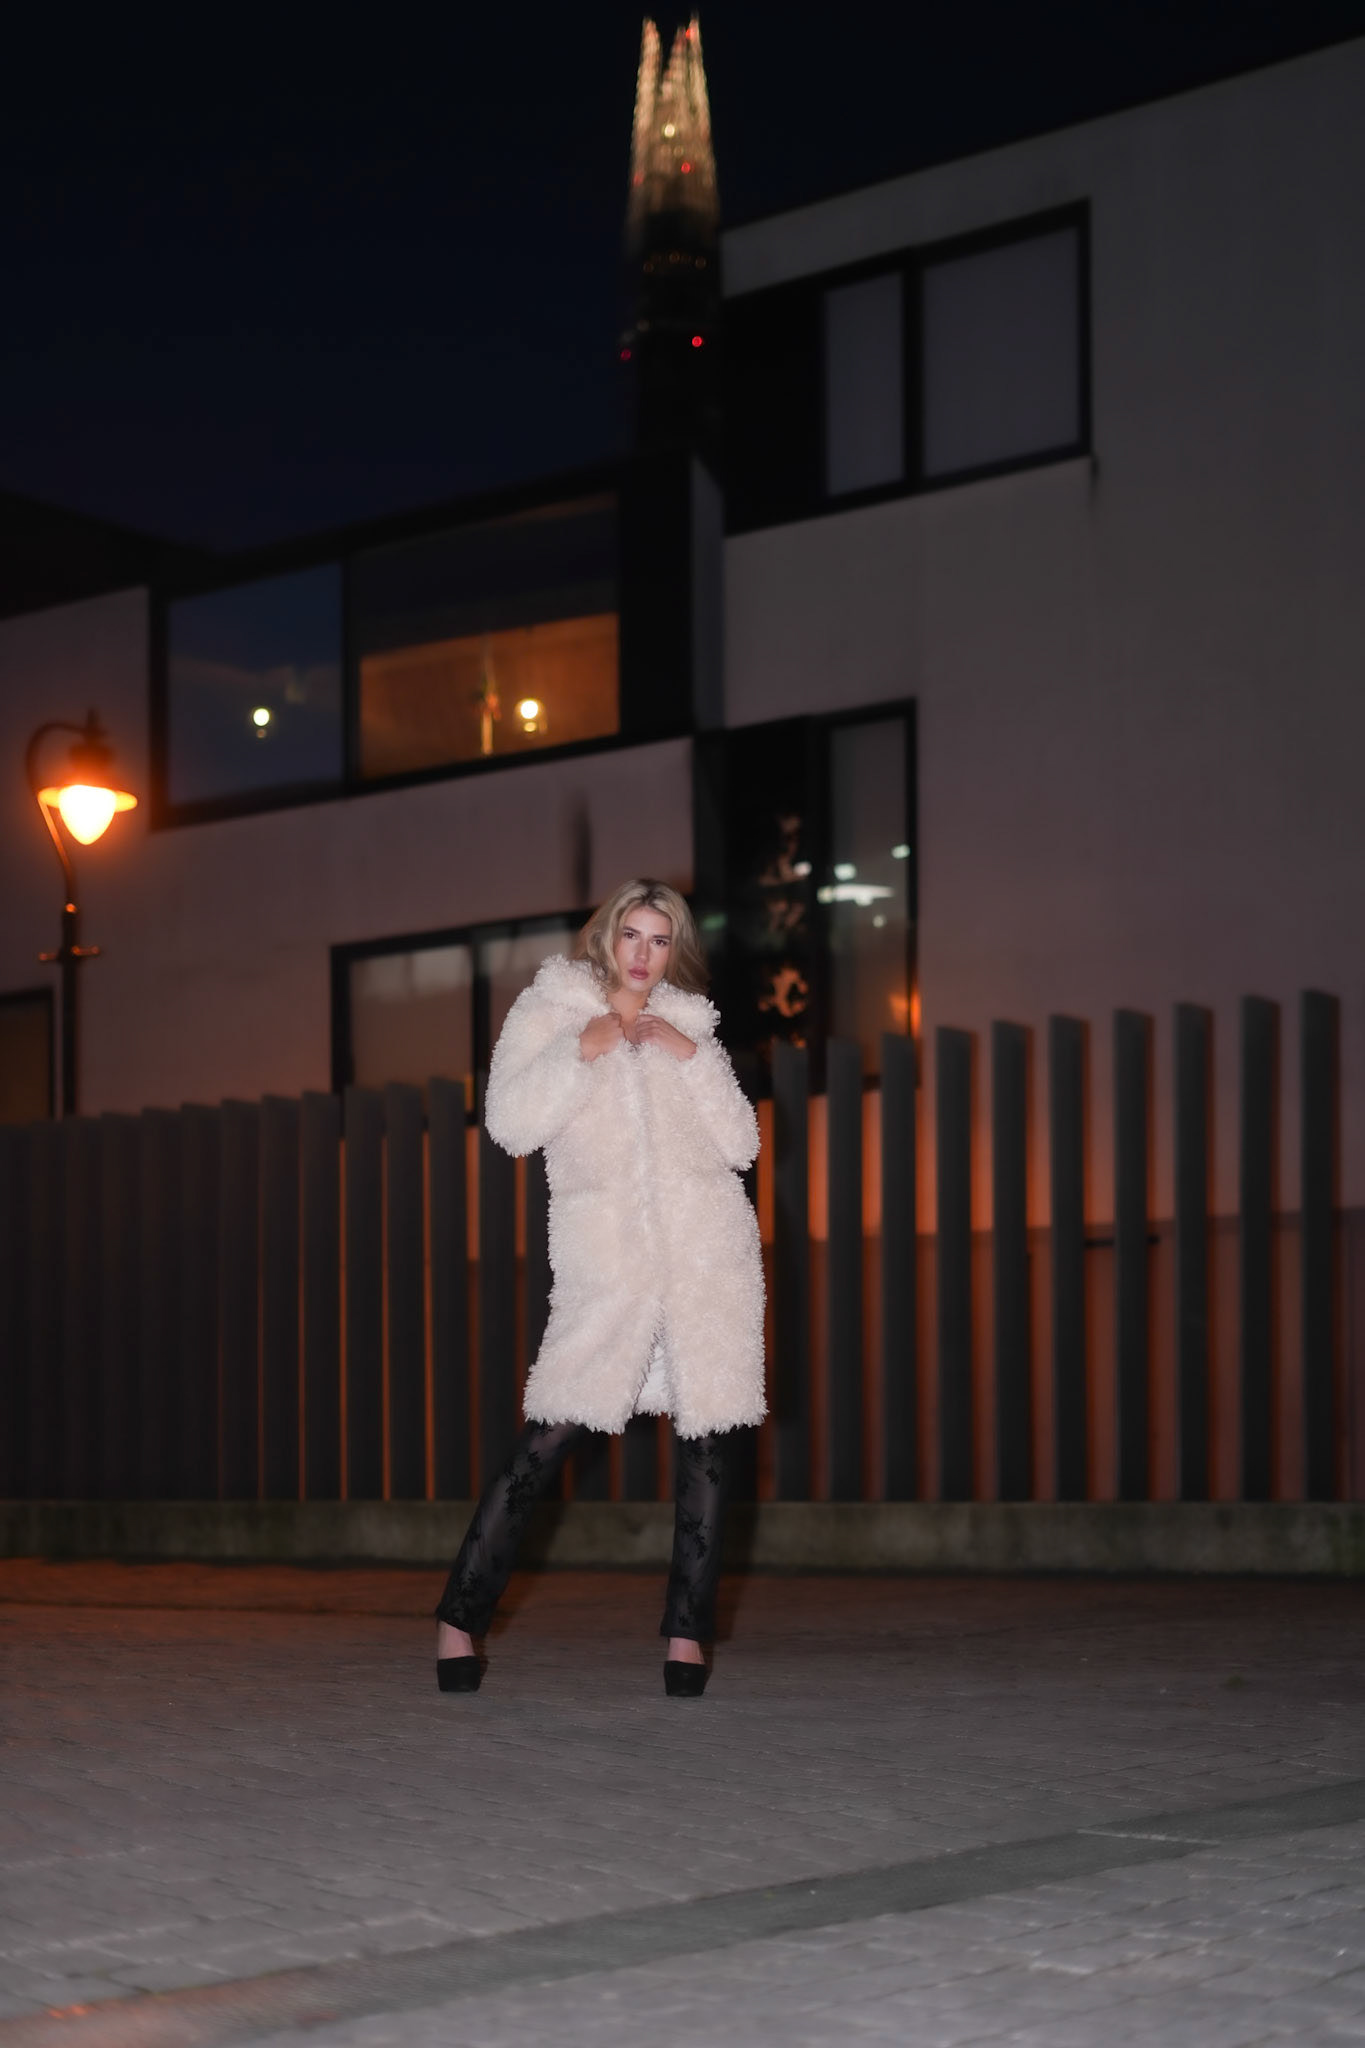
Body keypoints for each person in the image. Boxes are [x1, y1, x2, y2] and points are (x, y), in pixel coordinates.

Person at [434, 877, 765, 1698]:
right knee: (546, 1440)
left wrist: (687, 1057)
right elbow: (509, 1124)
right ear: (606, 936)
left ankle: (686, 1641)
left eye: (660, 940)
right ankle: (457, 1621)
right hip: (608, 1264)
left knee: (709, 1448)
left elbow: (740, 1143)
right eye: (632, 935)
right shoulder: (551, 1010)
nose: (644, 955)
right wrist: (578, 1049)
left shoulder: (690, 1024)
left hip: (704, 1260)